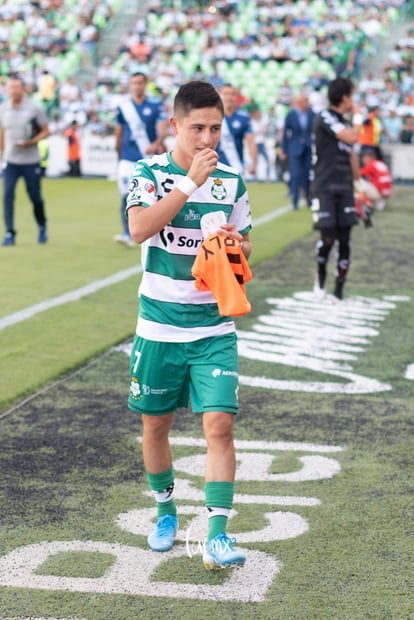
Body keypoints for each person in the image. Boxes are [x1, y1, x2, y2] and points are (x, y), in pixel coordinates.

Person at [126, 80, 252, 570]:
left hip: (213, 328)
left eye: (215, 128)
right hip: (158, 326)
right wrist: (187, 185)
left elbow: (246, 262)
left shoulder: (232, 183)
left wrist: (235, 249)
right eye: (197, 127)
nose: (207, 139)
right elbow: (139, 229)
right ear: (174, 125)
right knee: (155, 425)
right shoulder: (149, 172)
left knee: (219, 426)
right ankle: (165, 511)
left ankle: (217, 534)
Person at [311, 77, 362, 301]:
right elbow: (351, 138)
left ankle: (339, 290)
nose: (355, 100)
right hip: (324, 187)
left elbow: (349, 152)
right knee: (328, 237)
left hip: (344, 188)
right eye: (353, 95)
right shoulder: (325, 117)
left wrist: (359, 183)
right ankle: (320, 280)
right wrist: (359, 117)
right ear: (344, 97)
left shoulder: (343, 121)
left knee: (345, 238)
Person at [114, 72, 168, 248]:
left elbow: (162, 130)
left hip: (148, 160)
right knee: (126, 195)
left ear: (145, 84)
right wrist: (118, 152)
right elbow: (119, 131)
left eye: (139, 83)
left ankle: (155, 231)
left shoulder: (155, 105)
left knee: (153, 197)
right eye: (133, 83)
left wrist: (155, 144)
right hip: (128, 158)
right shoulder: (124, 107)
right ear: (130, 85)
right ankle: (127, 232)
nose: (136, 86)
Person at [0, 74, 50, 246]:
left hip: (30, 160)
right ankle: (9, 232)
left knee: (35, 196)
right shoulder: (3, 108)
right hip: (11, 160)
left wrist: (31, 141)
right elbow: (1, 133)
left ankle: (42, 225)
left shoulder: (34, 108)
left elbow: (45, 130)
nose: (14, 91)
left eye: (17, 87)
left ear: (23, 89)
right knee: (7, 196)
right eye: (11, 87)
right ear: (7, 89)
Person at [280, 92, 315, 210]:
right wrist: (284, 150)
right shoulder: (291, 115)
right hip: (295, 149)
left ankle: (308, 198)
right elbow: (286, 133)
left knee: (307, 175)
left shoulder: (312, 114)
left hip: (308, 148)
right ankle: (294, 200)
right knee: (295, 175)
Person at [216, 83, 257, 178]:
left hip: (235, 168)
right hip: (214, 168)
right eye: (226, 94)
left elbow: (251, 142)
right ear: (219, 96)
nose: (229, 97)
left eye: (232, 94)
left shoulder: (243, 117)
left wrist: (253, 163)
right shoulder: (211, 116)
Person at [357, 146, 393, 211]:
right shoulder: (381, 163)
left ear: (370, 157)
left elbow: (357, 174)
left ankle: (367, 203)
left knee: (357, 181)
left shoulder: (371, 164)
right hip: (387, 193)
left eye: (364, 157)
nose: (363, 159)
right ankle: (381, 201)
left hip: (378, 193)